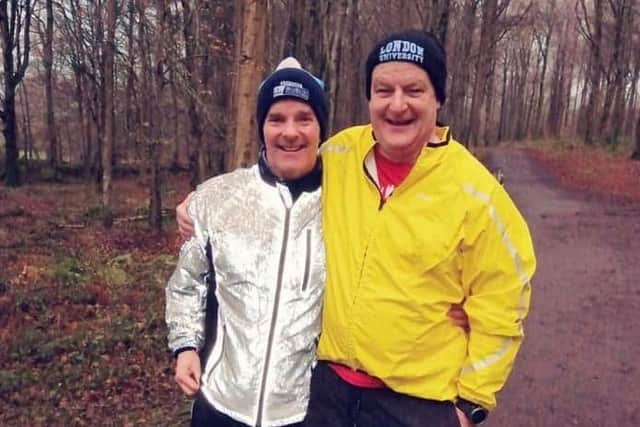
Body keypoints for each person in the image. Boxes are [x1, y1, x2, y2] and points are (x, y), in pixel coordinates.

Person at [301, 31, 536, 427]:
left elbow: (505, 299)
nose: (397, 105)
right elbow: (278, 179)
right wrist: (202, 207)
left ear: (437, 98)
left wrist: (470, 406)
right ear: (369, 98)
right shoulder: (337, 156)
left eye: (414, 90)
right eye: (383, 90)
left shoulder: (477, 194)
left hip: (416, 407)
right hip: (324, 393)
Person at [166, 58, 329, 427]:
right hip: (221, 405)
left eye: (304, 118)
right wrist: (186, 346)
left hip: (305, 412)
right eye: (276, 119)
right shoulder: (216, 198)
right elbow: (188, 283)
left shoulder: (347, 205)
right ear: (261, 127)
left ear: (321, 128)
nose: (290, 132)